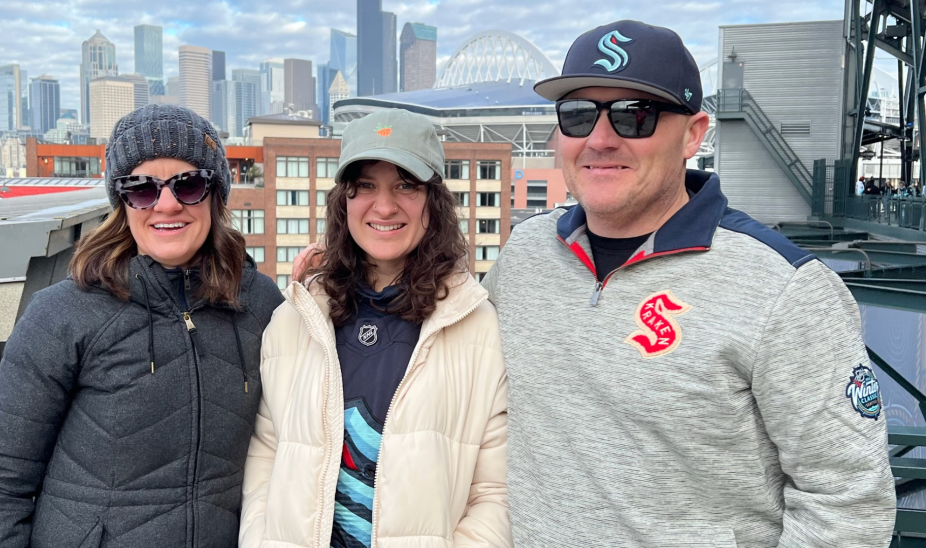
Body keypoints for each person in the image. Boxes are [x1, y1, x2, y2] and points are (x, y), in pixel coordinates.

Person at [482, 20, 896, 547]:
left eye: (636, 116)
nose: (601, 139)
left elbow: (848, 500)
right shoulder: (526, 254)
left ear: (694, 134)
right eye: (579, 114)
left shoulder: (784, 289)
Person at [0, 104, 284, 548]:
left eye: (188, 184)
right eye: (142, 189)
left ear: (215, 194)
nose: (167, 203)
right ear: (122, 201)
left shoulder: (261, 303)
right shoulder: (62, 313)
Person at [240, 109, 511, 548]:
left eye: (405, 185)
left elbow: (494, 494)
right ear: (344, 200)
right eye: (365, 186)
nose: (384, 206)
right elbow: (265, 460)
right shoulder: (295, 318)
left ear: (433, 201)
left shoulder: (477, 327)